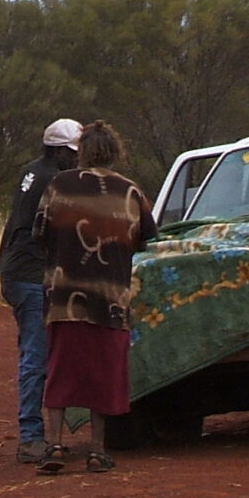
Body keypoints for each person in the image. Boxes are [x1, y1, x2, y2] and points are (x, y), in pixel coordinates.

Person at [36, 120, 157, 475]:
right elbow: (146, 237)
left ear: (83, 151)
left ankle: (55, 444)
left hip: (64, 298)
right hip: (111, 300)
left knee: (60, 371)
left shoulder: (59, 186)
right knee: (102, 376)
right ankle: (96, 450)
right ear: (115, 151)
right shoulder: (131, 192)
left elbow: (39, 233)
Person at [0, 118, 83, 462]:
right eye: (73, 154)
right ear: (60, 151)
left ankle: (35, 433)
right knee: (36, 356)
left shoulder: (30, 171)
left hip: (14, 270)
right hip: (32, 274)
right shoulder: (55, 179)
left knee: (34, 354)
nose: (77, 160)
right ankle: (31, 437)